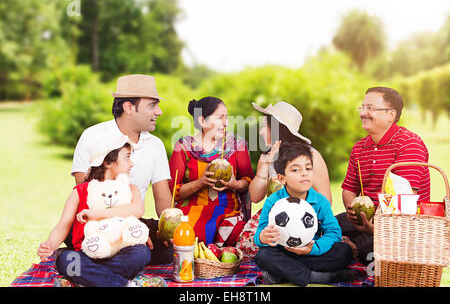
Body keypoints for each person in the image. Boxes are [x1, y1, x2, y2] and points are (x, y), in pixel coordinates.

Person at [70, 74, 173, 264]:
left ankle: (99, 270)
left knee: (169, 250)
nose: (159, 112)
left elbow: (163, 199)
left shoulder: (155, 145)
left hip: (132, 219)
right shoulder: (92, 136)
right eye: (152, 105)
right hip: (93, 222)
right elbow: (87, 198)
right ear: (129, 107)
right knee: (120, 250)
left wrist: (169, 230)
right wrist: (129, 230)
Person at [37, 135, 154, 287]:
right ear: (107, 162)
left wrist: (95, 214)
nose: (131, 164)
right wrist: (49, 246)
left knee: (141, 253)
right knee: (65, 259)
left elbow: (137, 210)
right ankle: (124, 284)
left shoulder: (131, 189)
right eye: (127, 158)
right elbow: (63, 226)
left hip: (121, 252)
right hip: (89, 252)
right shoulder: (80, 192)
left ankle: (90, 279)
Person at [337, 86, 430, 264]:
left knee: (370, 248)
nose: (363, 113)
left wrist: (373, 227)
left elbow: (404, 202)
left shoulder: (409, 144)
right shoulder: (359, 148)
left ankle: (351, 249)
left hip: (401, 225)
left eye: (370, 108)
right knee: (323, 227)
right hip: (366, 219)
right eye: (362, 107)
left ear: (391, 115)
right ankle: (348, 248)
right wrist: (355, 214)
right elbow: (349, 189)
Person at [236, 101, 332, 259]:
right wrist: (265, 164)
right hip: (273, 217)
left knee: (324, 245)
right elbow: (255, 197)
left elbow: (326, 199)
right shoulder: (267, 158)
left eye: (264, 127)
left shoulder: (312, 156)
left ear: (276, 129)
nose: (260, 132)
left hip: (307, 217)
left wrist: (298, 222)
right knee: (246, 243)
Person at [254, 142, 354, 286]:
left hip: (311, 253)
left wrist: (313, 248)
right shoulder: (273, 202)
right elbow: (259, 234)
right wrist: (263, 238)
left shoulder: (320, 201)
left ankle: (285, 274)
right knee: (263, 256)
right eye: (295, 170)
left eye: (308, 168)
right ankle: (320, 277)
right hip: (284, 253)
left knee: (344, 251)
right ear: (282, 179)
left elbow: (334, 233)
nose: (304, 173)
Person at [168, 97, 254, 246]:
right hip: (193, 210)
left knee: (240, 234)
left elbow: (249, 182)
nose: (226, 123)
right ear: (202, 120)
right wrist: (200, 182)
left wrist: (234, 184)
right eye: (220, 118)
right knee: (190, 234)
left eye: (226, 118)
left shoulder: (236, 145)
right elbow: (173, 190)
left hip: (228, 211)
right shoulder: (183, 147)